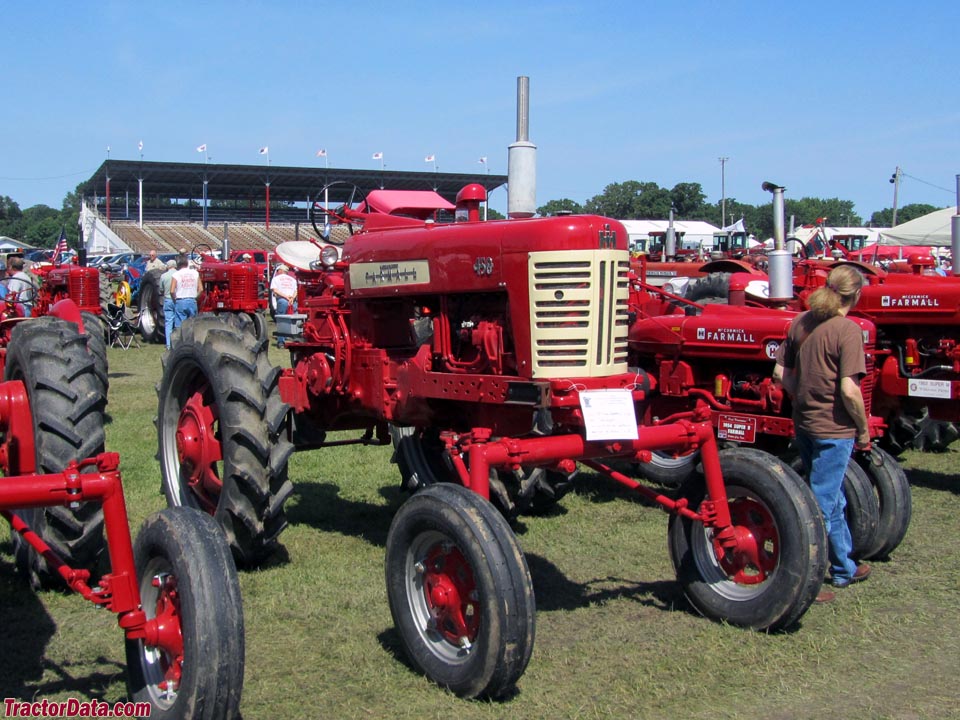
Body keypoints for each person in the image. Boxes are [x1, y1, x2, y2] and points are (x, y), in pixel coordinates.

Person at [773, 265, 871, 604]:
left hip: (805, 424)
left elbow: (779, 371)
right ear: (855, 295)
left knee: (832, 495)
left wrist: (799, 397)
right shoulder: (848, 330)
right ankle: (804, 574)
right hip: (835, 429)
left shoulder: (801, 322)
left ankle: (844, 564)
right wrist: (863, 427)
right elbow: (849, 389)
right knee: (820, 503)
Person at [170, 254, 202, 330]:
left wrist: (175, 300)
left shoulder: (176, 274)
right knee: (193, 325)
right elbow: (201, 289)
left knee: (180, 327)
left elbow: (171, 291)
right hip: (192, 300)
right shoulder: (195, 273)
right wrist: (195, 298)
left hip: (180, 300)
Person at [270, 264, 298, 348]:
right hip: (292, 301)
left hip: (282, 300)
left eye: (278, 271)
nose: (278, 272)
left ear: (281, 271)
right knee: (294, 321)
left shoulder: (276, 279)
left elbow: (275, 290)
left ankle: (281, 342)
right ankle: (295, 340)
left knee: (281, 321)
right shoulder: (292, 279)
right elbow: (296, 291)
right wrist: (292, 298)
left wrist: (285, 297)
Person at [160, 259, 178, 348]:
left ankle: (168, 344)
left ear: (168, 266)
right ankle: (177, 342)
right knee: (178, 322)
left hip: (168, 299)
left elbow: (161, 289)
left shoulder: (163, 276)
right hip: (177, 299)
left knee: (168, 323)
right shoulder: (179, 274)